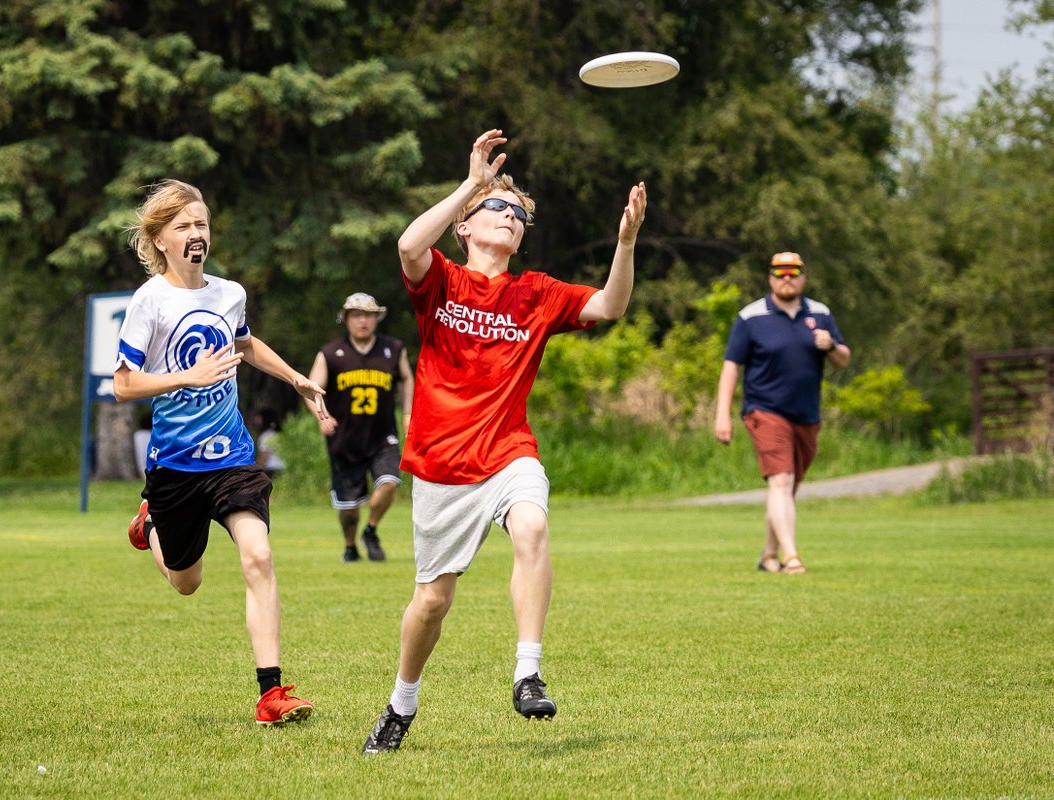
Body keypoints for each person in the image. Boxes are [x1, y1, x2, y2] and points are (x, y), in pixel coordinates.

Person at [361, 129, 647, 754]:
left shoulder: (537, 293)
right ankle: (400, 703)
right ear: (466, 225)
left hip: (508, 450)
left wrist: (624, 244)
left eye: (519, 215)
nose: (512, 218)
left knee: (533, 526)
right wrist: (471, 183)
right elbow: (408, 244)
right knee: (432, 602)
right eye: (500, 208)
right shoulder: (440, 280)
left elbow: (610, 306)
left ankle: (527, 671)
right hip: (441, 464)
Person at [114, 179, 328, 726]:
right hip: (175, 466)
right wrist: (187, 374)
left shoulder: (229, 293)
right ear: (160, 239)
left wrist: (297, 378)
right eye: (183, 226)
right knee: (187, 583)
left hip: (231, 457)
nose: (196, 234)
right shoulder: (150, 300)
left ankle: (271, 694)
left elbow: (243, 342)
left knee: (258, 555)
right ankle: (152, 524)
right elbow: (123, 385)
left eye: (202, 224)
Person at [713, 251, 851, 575]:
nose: (786, 278)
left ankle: (769, 554)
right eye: (779, 273)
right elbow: (731, 366)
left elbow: (844, 359)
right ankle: (791, 557)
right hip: (764, 410)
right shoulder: (751, 317)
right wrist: (722, 414)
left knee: (787, 488)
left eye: (793, 272)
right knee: (781, 480)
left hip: (806, 414)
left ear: (803, 276)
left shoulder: (820, 313)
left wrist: (830, 345)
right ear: (769, 278)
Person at [307, 293, 415, 563]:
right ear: (346, 319)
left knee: (389, 483)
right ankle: (350, 545)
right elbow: (311, 389)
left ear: (377, 318)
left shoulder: (393, 349)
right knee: (350, 508)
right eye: (356, 315)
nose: (363, 320)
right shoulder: (331, 353)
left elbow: (407, 379)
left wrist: (408, 412)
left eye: (368, 315)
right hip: (345, 438)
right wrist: (321, 415)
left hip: (382, 436)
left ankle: (371, 529)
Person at [251, 407, 287, 480]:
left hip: (271, 471)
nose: (255, 421)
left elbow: (263, 459)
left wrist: (253, 472)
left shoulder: (265, 436)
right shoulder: (279, 435)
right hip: (284, 469)